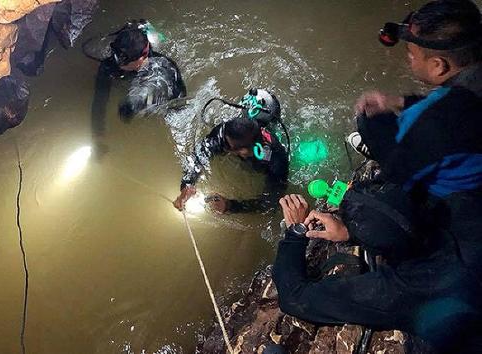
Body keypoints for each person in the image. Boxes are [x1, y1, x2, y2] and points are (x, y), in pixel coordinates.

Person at [273, 185, 482, 352]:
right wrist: (353, 230)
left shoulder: (401, 290)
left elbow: (294, 297)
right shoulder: (461, 205)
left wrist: (296, 232)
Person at [350, 0, 482, 199]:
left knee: (368, 119)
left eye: (412, 55)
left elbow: (395, 174)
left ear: (438, 66)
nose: (409, 59)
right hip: (467, 159)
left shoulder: (429, 121)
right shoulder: (467, 87)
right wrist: (399, 101)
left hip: (455, 204)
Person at [172, 109, 289, 214]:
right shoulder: (224, 134)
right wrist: (187, 185)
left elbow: (271, 203)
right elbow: (199, 156)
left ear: (245, 150)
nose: (225, 147)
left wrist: (231, 205)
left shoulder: (277, 160)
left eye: (229, 146)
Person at [90, 21, 187, 140]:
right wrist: (97, 135)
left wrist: (138, 103)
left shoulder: (163, 66)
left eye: (124, 62)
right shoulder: (109, 66)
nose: (118, 63)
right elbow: (99, 101)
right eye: (117, 57)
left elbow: (179, 101)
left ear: (142, 58)